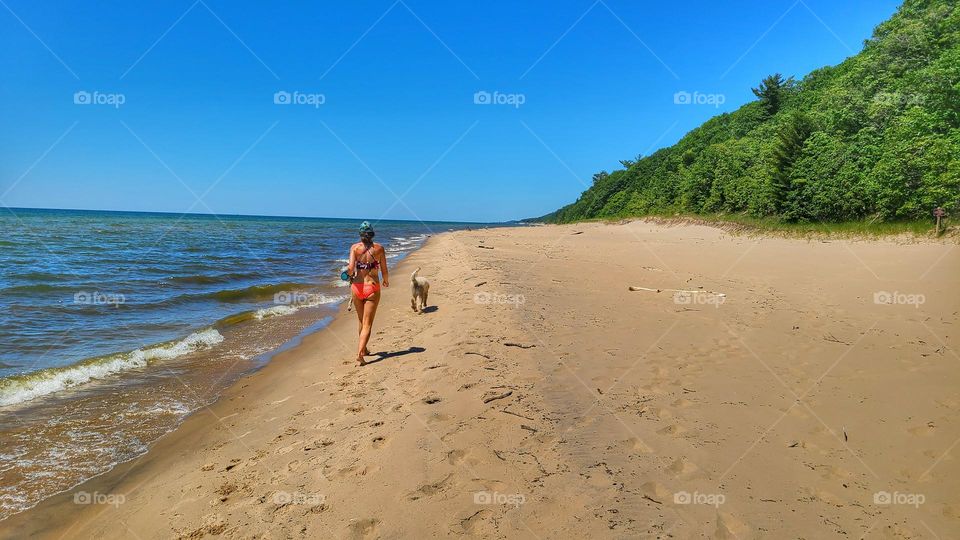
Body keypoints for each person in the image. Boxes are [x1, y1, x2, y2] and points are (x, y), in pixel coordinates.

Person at [348, 221, 388, 365]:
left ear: (360, 234)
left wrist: (348, 274)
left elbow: (351, 269)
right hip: (371, 287)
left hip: (357, 288)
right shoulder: (379, 248)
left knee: (361, 321)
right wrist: (386, 280)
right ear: (372, 234)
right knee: (367, 324)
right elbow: (384, 269)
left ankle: (363, 349)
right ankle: (360, 354)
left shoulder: (354, 248)